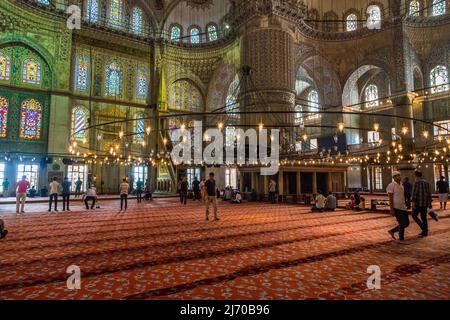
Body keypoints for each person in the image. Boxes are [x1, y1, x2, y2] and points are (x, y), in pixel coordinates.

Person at [387, 171, 410, 242]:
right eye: (397, 176)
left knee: (406, 223)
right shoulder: (391, 185)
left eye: (399, 175)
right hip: (396, 207)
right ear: (393, 177)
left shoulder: (401, 185)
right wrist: (391, 209)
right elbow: (390, 198)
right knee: (402, 223)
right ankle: (401, 239)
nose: (399, 177)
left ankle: (392, 231)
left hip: (403, 206)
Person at [411, 170, 435, 237]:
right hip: (425, 203)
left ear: (415, 175)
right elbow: (429, 193)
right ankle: (425, 232)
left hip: (418, 203)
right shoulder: (426, 182)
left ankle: (423, 228)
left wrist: (413, 203)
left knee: (414, 215)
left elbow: (414, 194)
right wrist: (430, 203)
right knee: (423, 217)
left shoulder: (416, 183)